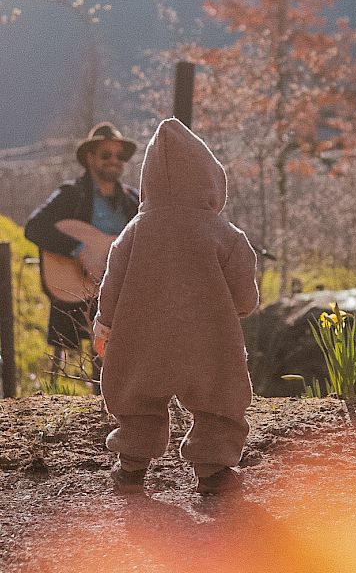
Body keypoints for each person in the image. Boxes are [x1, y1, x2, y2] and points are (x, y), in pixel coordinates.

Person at [92, 118, 259, 495]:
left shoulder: (133, 232)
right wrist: (237, 308)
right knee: (219, 402)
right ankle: (213, 472)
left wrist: (105, 324)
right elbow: (244, 291)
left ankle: (131, 467)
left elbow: (111, 284)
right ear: (210, 179)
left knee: (135, 400)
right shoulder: (224, 234)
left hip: (142, 341)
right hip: (209, 342)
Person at [25, 122, 139, 389]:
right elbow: (34, 228)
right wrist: (80, 250)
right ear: (90, 158)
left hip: (122, 291)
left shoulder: (133, 200)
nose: (114, 161)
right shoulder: (71, 195)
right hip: (80, 291)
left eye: (119, 156)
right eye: (106, 155)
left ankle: (115, 395)